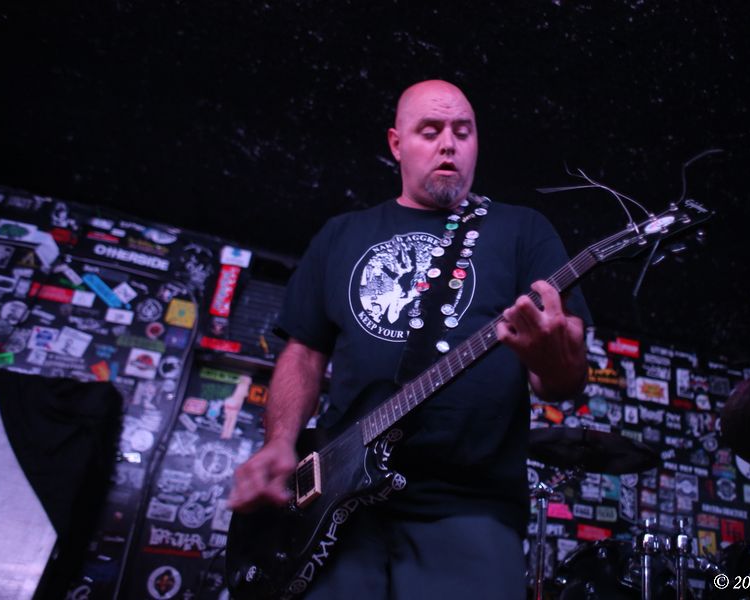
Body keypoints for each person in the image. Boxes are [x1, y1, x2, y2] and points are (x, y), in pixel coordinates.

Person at [228, 79, 591, 599]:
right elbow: (304, 352)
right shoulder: (341, 234)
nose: (449, 144)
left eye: (462, 132)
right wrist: (280, 443)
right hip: (337, 499)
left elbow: (561, 381)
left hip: (471, 507)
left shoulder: (523, 230)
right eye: (430, 130)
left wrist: (553, 360)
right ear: (396, 144)